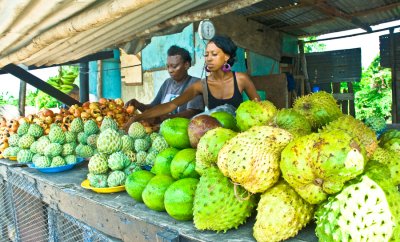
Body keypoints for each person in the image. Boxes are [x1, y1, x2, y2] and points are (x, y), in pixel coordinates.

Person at [123, 35, 260, 130]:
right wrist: (138, 117)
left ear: (226, 57)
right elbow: (171, 105)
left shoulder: (241, 79)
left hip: (239, 136)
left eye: (214, 54)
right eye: (206, 55)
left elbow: (260, 109)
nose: (209, 59)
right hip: (215, 137)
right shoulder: (201, 85)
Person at [124, 45, 204, 121]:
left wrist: (169, 118)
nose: (170, 70)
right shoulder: (167, 83)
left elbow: (193, 112)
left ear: (186, 65)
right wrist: (138, 104)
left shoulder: (195, 83)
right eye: (168, 66)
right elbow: (153, 108)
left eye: (174, 66)